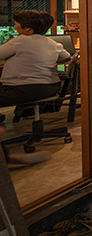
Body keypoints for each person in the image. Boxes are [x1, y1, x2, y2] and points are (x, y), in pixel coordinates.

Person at [0, 10, 71, 165]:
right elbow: (68, 58)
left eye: (17, 23)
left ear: (28, 28)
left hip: (24, 89)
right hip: (51, 88)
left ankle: (4, 157)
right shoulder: (52, 43)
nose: (14, 25)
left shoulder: (17, 42)